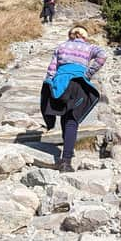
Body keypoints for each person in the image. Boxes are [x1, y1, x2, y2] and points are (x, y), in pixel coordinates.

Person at [40, 26, 107, 172]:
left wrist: (48, 86)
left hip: (61, 83)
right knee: (72, 120)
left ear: (70, 35)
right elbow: (103, 56)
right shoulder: (90, 47)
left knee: (64, 117)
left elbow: (51, 70)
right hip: (79, 83)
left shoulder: (61, 46)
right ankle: (66, 161)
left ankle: (67, 150)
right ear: (84, 36)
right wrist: (89, 73)